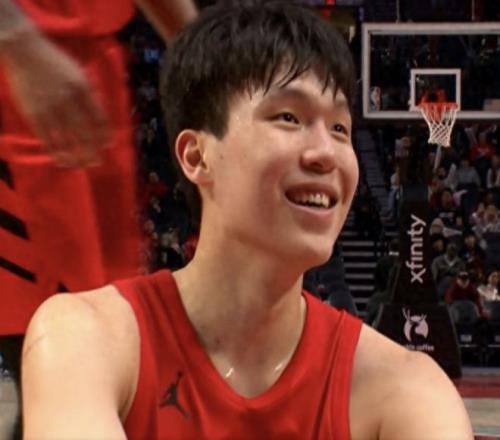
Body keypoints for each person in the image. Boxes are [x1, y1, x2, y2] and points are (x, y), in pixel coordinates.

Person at [22, 1, 472, 438]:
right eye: (289, 117)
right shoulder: (82, 337)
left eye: (340, 128)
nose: (326, 153)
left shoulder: (409, 389)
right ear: (196, 156)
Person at [0, 0, 196, 436]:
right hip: (22, 77)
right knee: (64, 367)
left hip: (93, 73)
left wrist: (209, 59)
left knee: (107, 358)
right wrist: (15, 39)